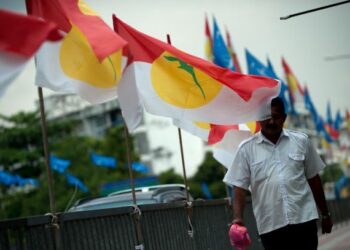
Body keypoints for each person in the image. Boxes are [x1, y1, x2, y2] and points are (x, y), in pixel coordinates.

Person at [223, 97, 333, 250]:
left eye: (276, 117)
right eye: (267, 117)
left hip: (304, 220)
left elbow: (314, 179)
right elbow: (239, 187)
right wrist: (238, 219)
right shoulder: (246, 149)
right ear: (259, 120)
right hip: (271, 226)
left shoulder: (301, 141)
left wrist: (325, 214)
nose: (271, 122)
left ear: (284, 118)